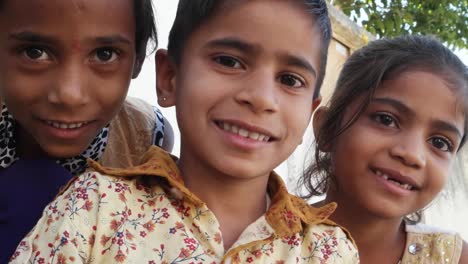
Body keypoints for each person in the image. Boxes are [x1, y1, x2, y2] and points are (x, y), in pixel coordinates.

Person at [10, 0, 359, 263]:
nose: (261, 98)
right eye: (229, 61)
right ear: (169, 77)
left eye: (289, 80)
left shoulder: (329, 250)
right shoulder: (94, 206)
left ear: (310, 112)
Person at [0, 0, 173, 261]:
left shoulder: (147, 136)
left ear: (137, 61)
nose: (70, 95)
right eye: (35, 52)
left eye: (105, 54)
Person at [300, 35, 468, 263]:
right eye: (386, 119)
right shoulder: (265, 240)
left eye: (440, 143)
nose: (411, 155)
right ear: (327, 128)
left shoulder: (451, 257)